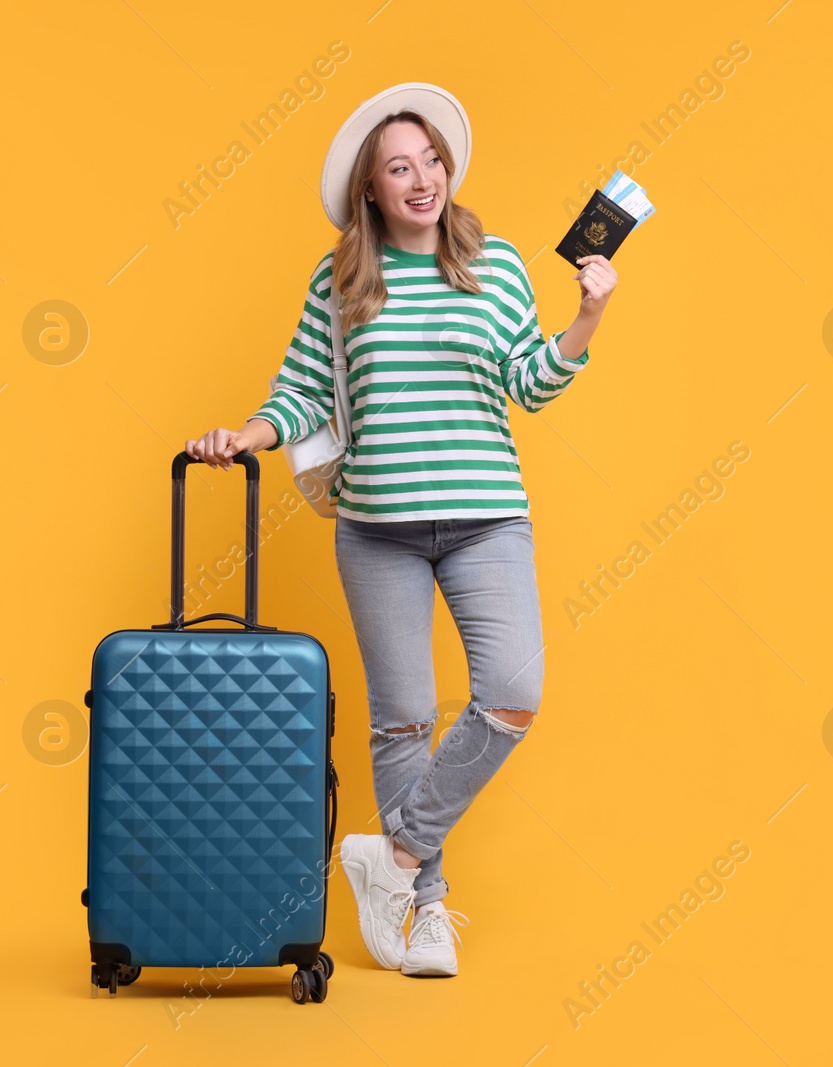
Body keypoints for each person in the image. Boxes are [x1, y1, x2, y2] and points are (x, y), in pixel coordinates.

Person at [184, 83, 617, 977]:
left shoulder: (491, 264)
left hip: (486, 518)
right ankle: (422, 916)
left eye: (431, 161)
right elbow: (301, 393)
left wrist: (587, 315)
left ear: (447, 172)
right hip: (377, 527)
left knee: (511, 690)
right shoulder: (341, 278)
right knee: (403, 722)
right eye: (399, 167)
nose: (421, 179)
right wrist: (244, 435)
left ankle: (399, 854)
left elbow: (529, 383)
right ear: (371, 192)